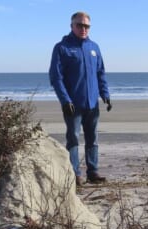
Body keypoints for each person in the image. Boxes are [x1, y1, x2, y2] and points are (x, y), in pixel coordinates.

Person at [49, 11, 112, 185]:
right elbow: (56, 77)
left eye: (86, 26)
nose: (83, 29)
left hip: (92, 103)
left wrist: (105, 94)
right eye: (80, 25)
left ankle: (93, 171)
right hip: (73, 104)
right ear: (72, 26)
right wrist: (65, 100)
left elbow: (100, 73)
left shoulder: (94, 47)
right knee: (74, 138)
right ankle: (75, 173)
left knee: (93, 139)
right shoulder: (62, 48)